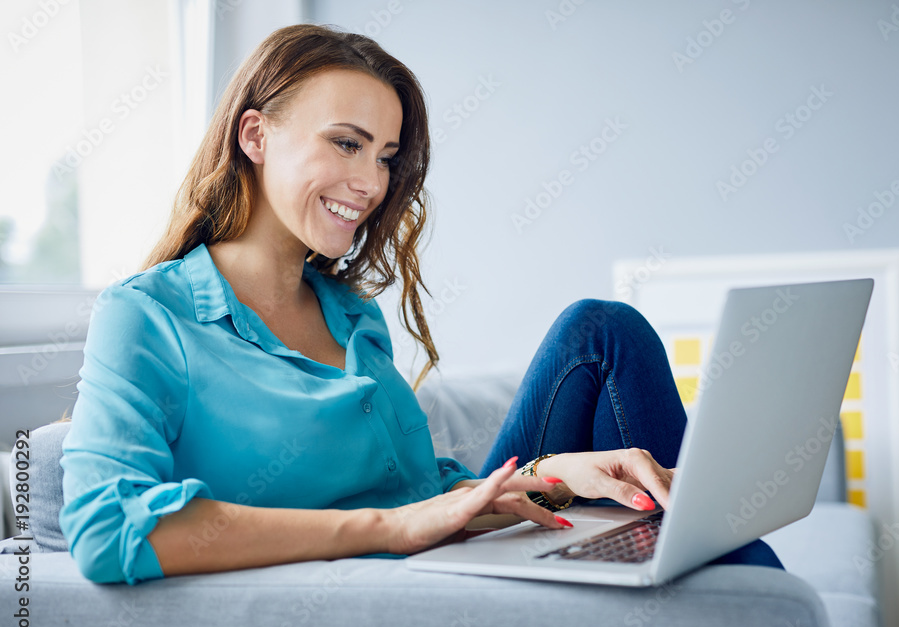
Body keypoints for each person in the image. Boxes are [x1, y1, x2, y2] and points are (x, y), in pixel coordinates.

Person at [58, 24, 782, 585]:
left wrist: (554, 476)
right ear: (255, 135)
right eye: (346, 143)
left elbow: (424, 491)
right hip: (403, 581)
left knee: (602, 335)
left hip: (444, 548)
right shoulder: (145, 318)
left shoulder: (350, 315)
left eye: (384, 155)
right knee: (724, 548)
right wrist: (384, 528)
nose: (370, 183)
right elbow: (107, 531)